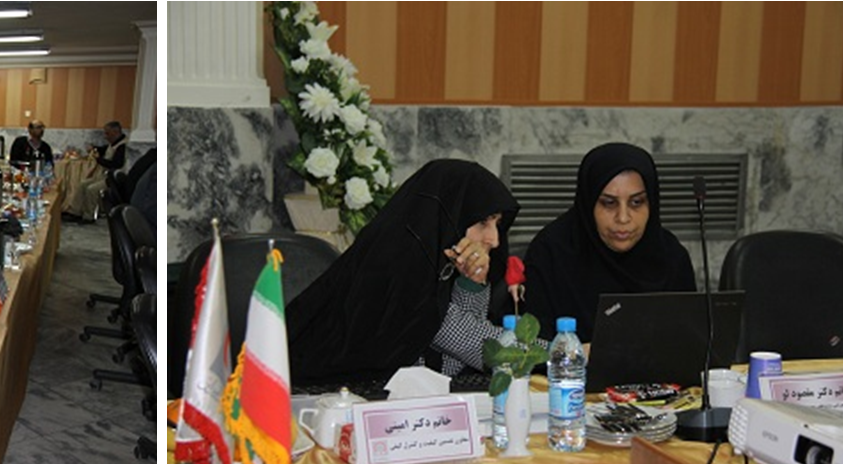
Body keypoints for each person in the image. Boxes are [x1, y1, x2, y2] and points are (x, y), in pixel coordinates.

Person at [287, 159, 521, 386]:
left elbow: (453, 366)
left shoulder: (441, 265)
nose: (494, 240)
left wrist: (471, 282)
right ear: (451, 215)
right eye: (483, 222)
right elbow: (485, 349)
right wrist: (542, 353)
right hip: (319, 397)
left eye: (497, 224)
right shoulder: (397, 265)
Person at [523, 142, 696, 341]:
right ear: (588, 203)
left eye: (636, 202)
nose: (623, 218)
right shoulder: (550, 254)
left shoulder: (671, 257)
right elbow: (529, 346)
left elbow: (691, 342)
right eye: (609, 203)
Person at [65, 121, 130, 221]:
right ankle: (74, 211)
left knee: (91, 189)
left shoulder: (123, 146)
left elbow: (116, 164)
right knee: (82, 184)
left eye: (107, 133)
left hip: (113, 179)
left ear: (115, 132)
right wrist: (94, 148)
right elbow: (103, 149)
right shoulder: (113, 144)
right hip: (104, 176)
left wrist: (98, 159)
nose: (105, 136)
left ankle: (88, 216)